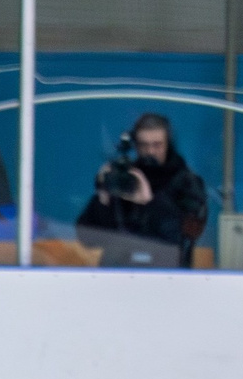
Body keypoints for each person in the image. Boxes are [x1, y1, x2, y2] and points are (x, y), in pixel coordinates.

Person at [75, 112, 211, 268]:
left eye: (157, 145)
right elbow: (86, 239)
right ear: (136, 146)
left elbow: (188, 234)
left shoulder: (188, 183)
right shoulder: (126, 178)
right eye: (144, 145)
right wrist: (103, 199)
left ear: (168, 144)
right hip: (118, 274)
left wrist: (149, 202)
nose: (150, 151)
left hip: (169, 277)